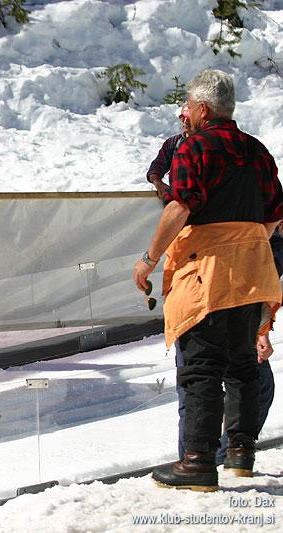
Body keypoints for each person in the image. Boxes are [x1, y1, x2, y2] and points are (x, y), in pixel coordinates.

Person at [132, 70, 283, 491]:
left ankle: (197, 463)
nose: (185, 116)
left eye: (187, 108)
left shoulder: (195, 147)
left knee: (201, 367)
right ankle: (241, 455)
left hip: (207, 270)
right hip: (253, 268)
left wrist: (148, 259)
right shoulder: (257, 150)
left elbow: (180, 208)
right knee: (242, 365)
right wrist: (249, 242)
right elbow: (275, 211)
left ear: (201, 109)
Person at [175, 226, 281, 465]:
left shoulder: (270, 240)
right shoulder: (253, 220)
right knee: (200, 386)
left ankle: (220, 459)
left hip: (233, 305)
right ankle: (203, 462)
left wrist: (261, 329)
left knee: (244, 382)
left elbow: (261, 283)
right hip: (203, 303)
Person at [146, 104, 192, 198]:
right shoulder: (173, 143)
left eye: (189, 117)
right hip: (180, 200)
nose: (186, 121)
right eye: (182, 117)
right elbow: (158, 165)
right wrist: (157, 182)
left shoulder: (209, 143)